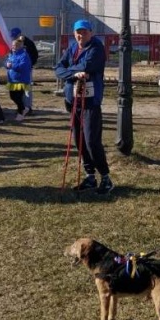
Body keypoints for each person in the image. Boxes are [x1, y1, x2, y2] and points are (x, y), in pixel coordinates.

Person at [54, 19, 113, 195]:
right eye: (78, 32)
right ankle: (90, 176)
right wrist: (73, 73)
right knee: (78, 141)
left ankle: (106, 178)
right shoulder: (72, 48)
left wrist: (69, 71)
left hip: (90, 102)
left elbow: (87, 66)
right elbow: (58, 68)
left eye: (84, 32)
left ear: (91, 33)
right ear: (74, 34)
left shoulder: (96, 48)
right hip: (74, 101)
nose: (81, 35)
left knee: (91, 141)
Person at [6, 36, 34, 120]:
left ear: (20, 46)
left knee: (18, 97)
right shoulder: (11, 54)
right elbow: (7, 62)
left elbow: (23, 66)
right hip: (12, 80)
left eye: (16, 46)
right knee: (12, 96)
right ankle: (23, 109)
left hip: (21, 80)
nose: (14, 47)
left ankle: (21, 113)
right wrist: (7, 65)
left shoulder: (24, 55)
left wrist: (12, 66)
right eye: (13, 46)